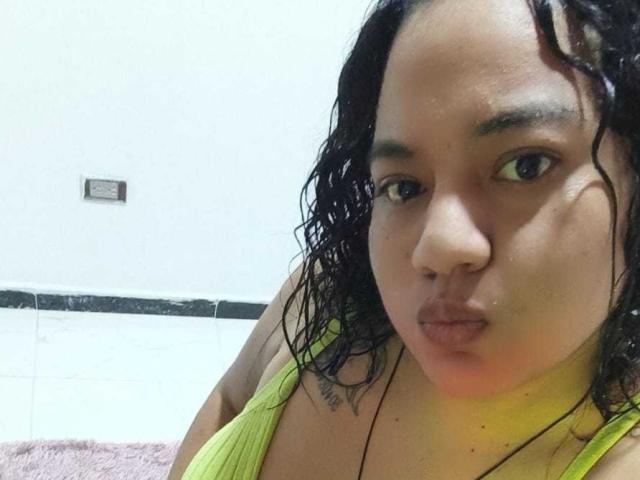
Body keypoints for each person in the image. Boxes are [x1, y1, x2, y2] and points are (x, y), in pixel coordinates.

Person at [168, 0, 640, 478]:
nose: (437, 246)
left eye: (526, 166)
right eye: (404, 187)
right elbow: (231, 398)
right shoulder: (329, 294)